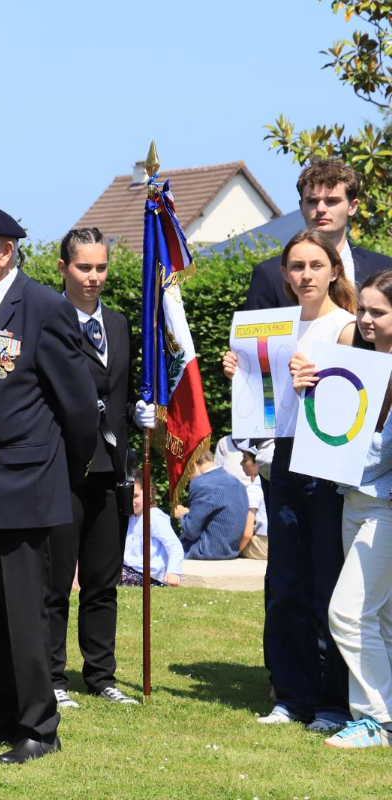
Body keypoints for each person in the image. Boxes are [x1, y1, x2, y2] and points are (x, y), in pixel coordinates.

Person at [0, 206, 98, 764]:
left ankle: (39, 727)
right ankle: (2, 713)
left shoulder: (43, 307)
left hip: (23, 486)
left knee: (24, 613)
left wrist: (58, 472)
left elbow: (78, 407)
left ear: (6, 252)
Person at [224, 228, 357, 731]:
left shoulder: (346, 328)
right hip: (284, 458)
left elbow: (355, 409)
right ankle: (291, 696)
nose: (306, 275)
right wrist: (240, 370)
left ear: (334, 270)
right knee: (284, 582)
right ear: (284, 274)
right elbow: (262, 398)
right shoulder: (271, 329)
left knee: (327, 584)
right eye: (297, 266)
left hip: (328, 466)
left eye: (315, 265)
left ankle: (331, 703)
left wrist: (316, 385)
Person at [45, 227, 142, 710]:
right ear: (63, 268)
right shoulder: (46, 322)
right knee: (55, 581)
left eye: (101, 267)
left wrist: (141, 415)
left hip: (112, 471)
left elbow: (124, 392)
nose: (94, 277)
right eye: (84, 267)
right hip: (62, 469)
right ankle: (52, 677)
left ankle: (101, 675)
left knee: (104, 580)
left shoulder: (120, 324)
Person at [303, 271, 392, 748]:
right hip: (352, 500)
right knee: (379, 618)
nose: (366, 319)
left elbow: (377, 450)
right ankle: (379, 718)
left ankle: (378, 720)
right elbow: (331, 429)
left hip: (385, 507)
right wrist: (307, 389)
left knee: (348, 612)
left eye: (378, 311)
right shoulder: (357, 363)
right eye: (362, 309)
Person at [244, 160, 392, 314]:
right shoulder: (269, 274)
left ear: (352, 207)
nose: (321, 209)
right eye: (312, 201)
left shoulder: (384, 268)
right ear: (301, 207)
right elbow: (256, 331)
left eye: (331, 201)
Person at [172, 448, 249, 560]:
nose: (187, 477)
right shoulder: (237, 483)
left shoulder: (201, 484)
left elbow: (191, 531)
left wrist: (183, 514)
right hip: (231, 551)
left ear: (192, 465)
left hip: (205, 551)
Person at [120, 470, 183, 587]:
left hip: (149, 577)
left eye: (135, 496)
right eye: (127, 496)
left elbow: (174, 546)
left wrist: (173, 571)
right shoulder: (129, 517)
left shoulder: (154, 516)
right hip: (128, 570)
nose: (131, 501)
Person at [238, 448, 268, 560]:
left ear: (258, 462)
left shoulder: (253, 489)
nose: (241, 463)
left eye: (245, 459)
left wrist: (235, 551)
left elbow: (247, 533)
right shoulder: (273, 484)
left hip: (262, 545)